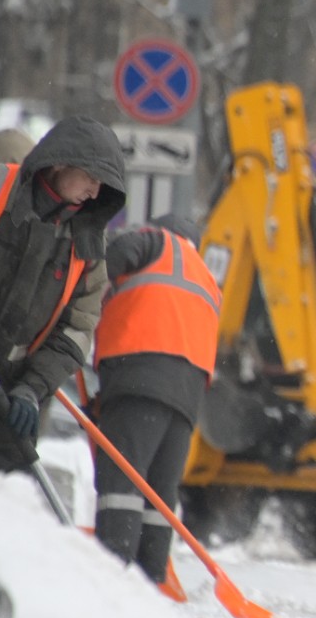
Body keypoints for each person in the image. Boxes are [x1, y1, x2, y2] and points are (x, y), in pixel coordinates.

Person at [0, 117, 127, 471]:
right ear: (60, 162)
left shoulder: (87, 248)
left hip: (1, 406)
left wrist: (31, 389)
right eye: (91, 179)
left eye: (103, 186)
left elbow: (75, 332)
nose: (95, 193)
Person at [91, 216, 222, 585]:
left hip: (140, 375)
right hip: (186, 397)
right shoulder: (208, 280)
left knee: (122, 482)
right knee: (159, 495)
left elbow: (115, 255)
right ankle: (152, 578)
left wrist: (84, 291)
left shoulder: (156, 242)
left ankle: (113, 575)